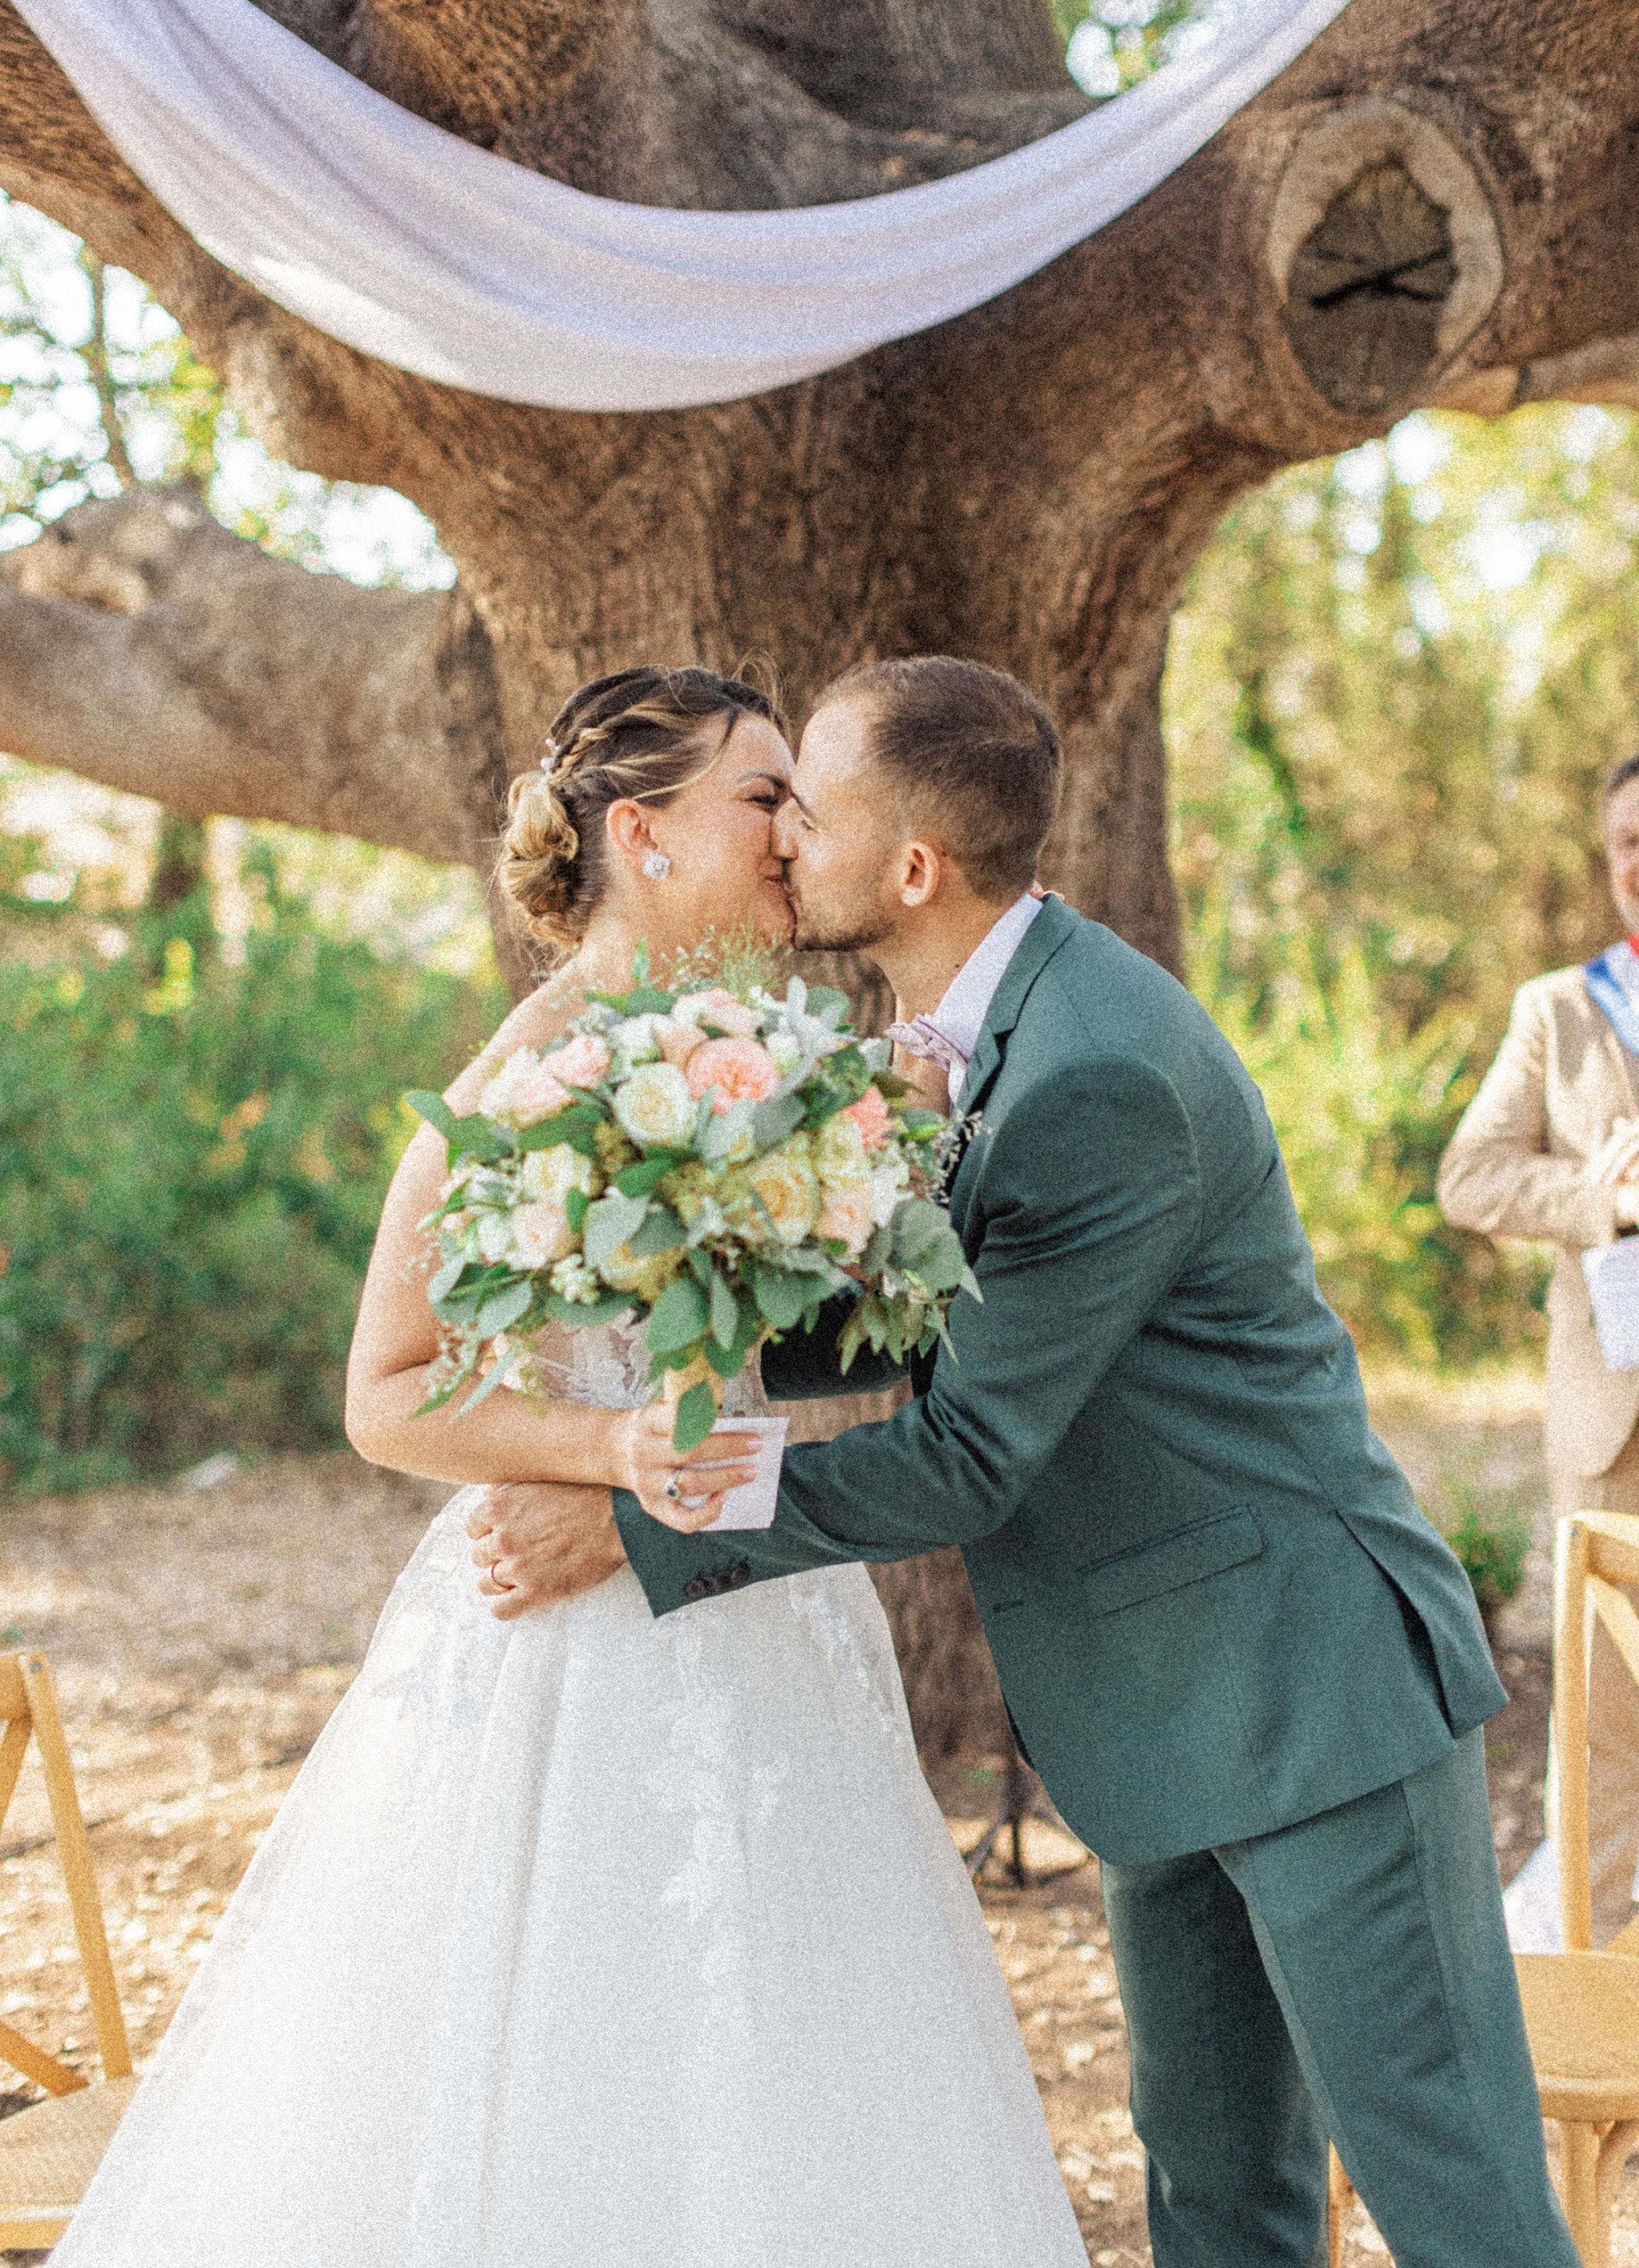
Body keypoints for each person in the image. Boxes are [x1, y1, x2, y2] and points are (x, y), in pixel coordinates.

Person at [479, 655, 1579, 2268]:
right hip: (1157, 1712)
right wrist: (662, 1338)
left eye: (812, 809)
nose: (782, 839)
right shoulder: (977, 1027)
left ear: (912, 868)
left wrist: (649, 1527)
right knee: (1215, 2193)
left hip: (1308, 1691)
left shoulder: (1095, 1068)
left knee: (1454, 2194)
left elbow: (966, 1452)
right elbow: (951, 1330)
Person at [50, 664, 1088, 2268]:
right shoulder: (529, 1078)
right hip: (579, 1650)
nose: (792, 833)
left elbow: (810, 1356)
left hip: (762, 1607)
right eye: (764, 796)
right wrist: (606, 1452)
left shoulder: (777, 1050)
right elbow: (384, 1392)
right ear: (645, 831)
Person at [1438, 750, 1639, 1949]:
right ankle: (1609, 2059)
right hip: (1613, 1427)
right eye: (1626, 841)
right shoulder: (1564, 1009)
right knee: (1607, 1735)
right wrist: (1599, 1194)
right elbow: (1470, 1175)